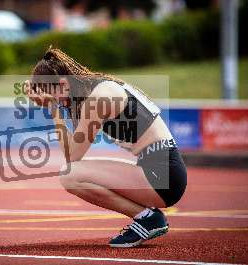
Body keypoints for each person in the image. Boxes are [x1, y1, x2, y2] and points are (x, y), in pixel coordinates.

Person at [24, 48, 187, 248]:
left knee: (70, 175)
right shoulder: (96, 88)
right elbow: (72, 149)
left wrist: (53, 110)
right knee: (71, 173)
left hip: (163, 175)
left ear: (64, 85)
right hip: (162, 168)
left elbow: (72, 157)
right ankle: (148, 217)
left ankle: (147, 218)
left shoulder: (98, 98)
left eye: (55, 97)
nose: (60, 103)